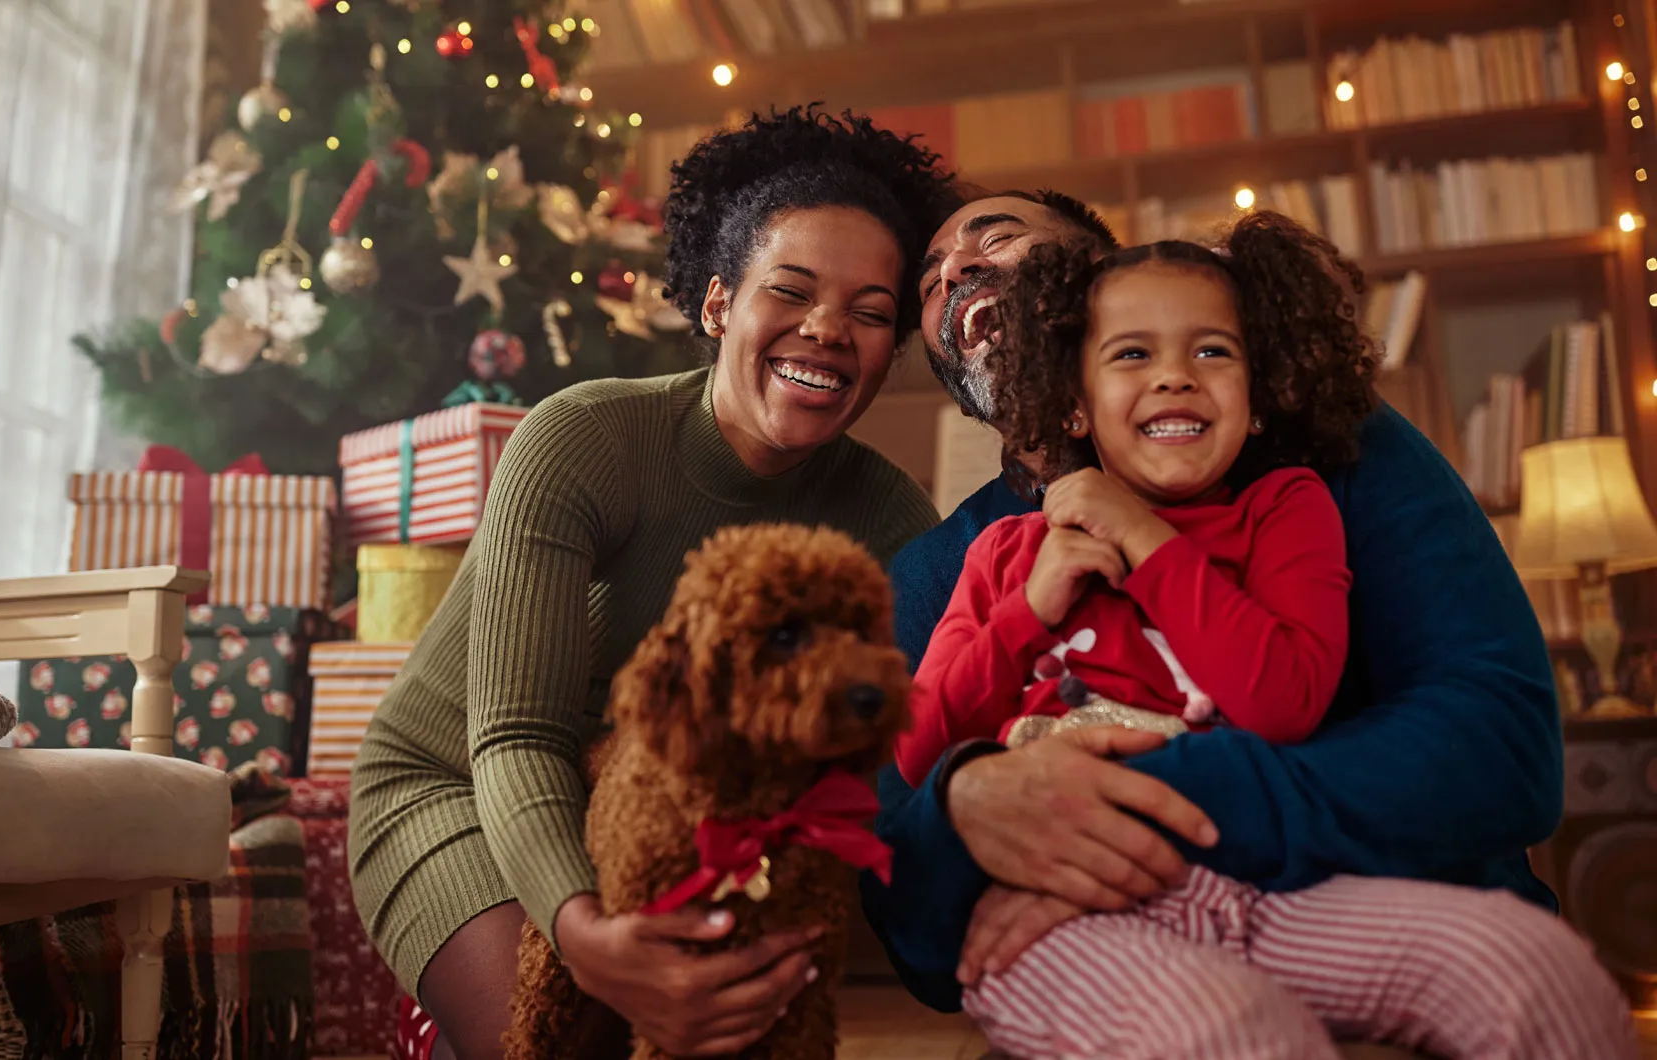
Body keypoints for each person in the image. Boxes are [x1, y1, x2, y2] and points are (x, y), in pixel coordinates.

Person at [896, 214, 1636, 1057]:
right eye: (928, 280)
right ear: (1070, 391)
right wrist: (968, 803)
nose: (958, 269)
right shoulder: (967, 559)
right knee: (1227, 1032)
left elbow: (1493, 746)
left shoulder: (1306, 484)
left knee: (1537, 970)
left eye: (998, 237)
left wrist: (1122, 806)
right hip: (1087, 938)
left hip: (1298, 894)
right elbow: (905, 806)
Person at [348, 107, 957, 1060]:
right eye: (790, 291)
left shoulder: (892, 524)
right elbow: (515, 734)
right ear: (718, 305)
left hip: (680, 816)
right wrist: (582, 930)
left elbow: (895, 755)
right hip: (456, 786)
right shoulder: (583, 440)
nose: (829, 331)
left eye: (871, 314)